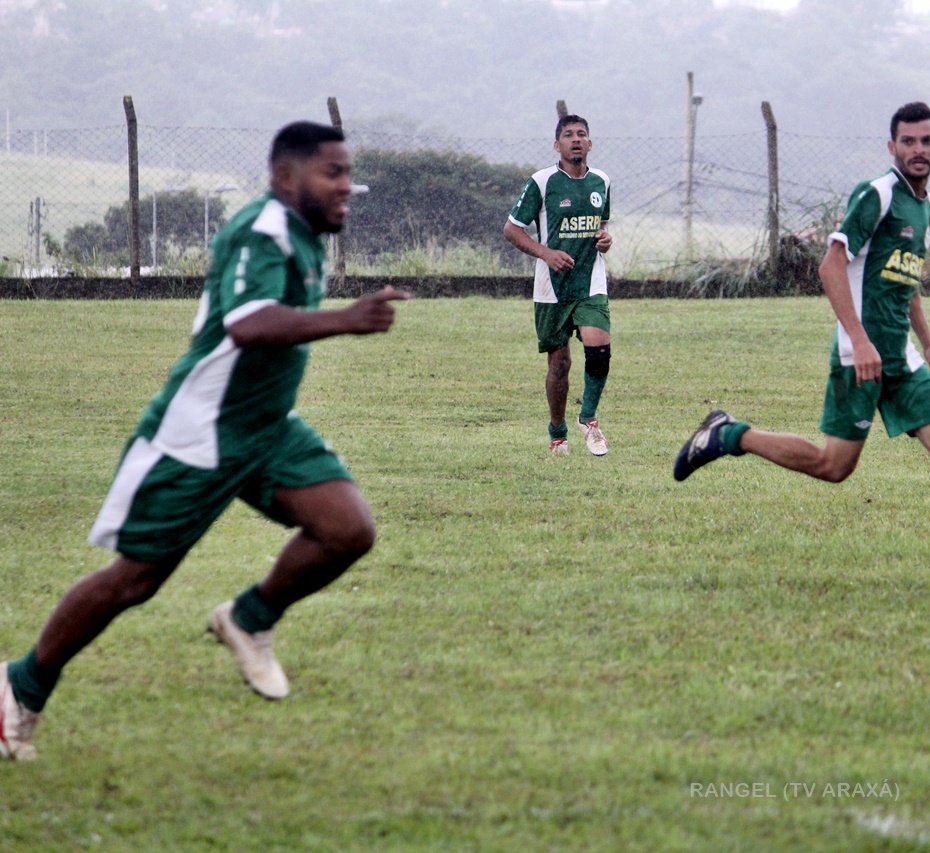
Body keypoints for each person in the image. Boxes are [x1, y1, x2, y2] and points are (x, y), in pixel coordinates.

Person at [0, 121, 411, 761]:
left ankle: (248, 618)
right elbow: (249, 324)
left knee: (348, 530)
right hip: (202, 432)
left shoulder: (304, 237)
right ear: (285, 177)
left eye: (347, 173)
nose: (346, 186)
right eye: (332, 173)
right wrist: (346, 320)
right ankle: (19, 687)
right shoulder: (259, 230)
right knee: (133, 581)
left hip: (267, 428)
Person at [673, 102, 930, 595]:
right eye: (908, 141)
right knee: (833, 466)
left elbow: (907, 278)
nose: (918, 150)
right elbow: (830, 266)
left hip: (899, 357)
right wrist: (859, 341)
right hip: (857, 356)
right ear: (892, 147)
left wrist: (929, 341)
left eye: (927, 141)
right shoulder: (877, 194)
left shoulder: (927, 207)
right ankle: (729, 435)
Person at [503, 114, 613, 456]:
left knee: (599, 348)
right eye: (568, 135)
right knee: (559, 363)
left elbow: (602, 225)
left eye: (582, 134)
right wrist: (546, 253)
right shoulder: (541, 182)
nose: (576, 139)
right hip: (551, 288)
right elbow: (512, 229)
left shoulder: (602, 182)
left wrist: (605, 239)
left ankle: (589, 420)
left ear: (590, 143)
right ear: (557, 145)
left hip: (590, 281)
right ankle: (558, 433)